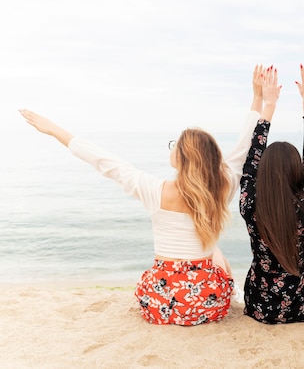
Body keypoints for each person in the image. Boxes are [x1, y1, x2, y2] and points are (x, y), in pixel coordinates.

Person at [18, 65, 264, 326]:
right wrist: (259, 100)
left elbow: (103, 161)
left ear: (182, 157)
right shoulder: (221, 190)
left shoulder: (153, 190)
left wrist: (55, 130)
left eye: (175, 145)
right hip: (206, 303)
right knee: (214, 252)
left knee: (212, 250)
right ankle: (234, 293)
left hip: (161, 303)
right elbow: (243, 149)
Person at [239, 63, 304, 324]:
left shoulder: (250, 205)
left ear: (262, 174)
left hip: (259, 305)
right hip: (302, 303)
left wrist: (268, 107)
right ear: (298, 173)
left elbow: (251, 160)